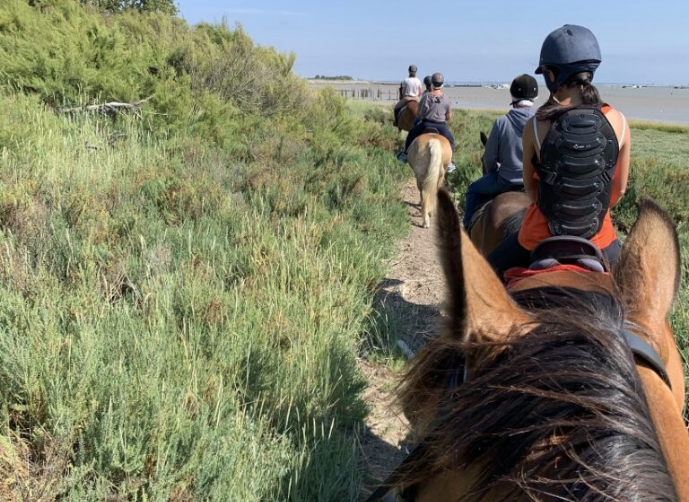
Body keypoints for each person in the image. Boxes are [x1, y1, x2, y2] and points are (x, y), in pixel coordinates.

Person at [487, 25, 631, 279]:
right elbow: (618, 191)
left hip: (537, 238)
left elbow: (532, 192)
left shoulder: (536, 124)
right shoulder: (619, 121)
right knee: (636, 295)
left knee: (480, 278)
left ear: (551, 75)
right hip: (600, 239)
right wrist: (586, 213)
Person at [462, 74, 539, 229]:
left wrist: (492, 171)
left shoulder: (501, 122)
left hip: (505, 181)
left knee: (472, 191)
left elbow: (489, 157)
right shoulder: (542, 122)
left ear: (512, 95)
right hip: (535, 184)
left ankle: (468, 230)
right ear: (535, 97)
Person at [397, 72, 456, 171]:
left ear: (432, 82)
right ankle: (449, 162)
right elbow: (448, 117)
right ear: (442, 83)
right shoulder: (446, 98)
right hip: (441, 126)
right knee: (451, 141)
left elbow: (420, 114)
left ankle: (405, 155)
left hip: (426, 124)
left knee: (411, 134)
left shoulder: (426, 96)